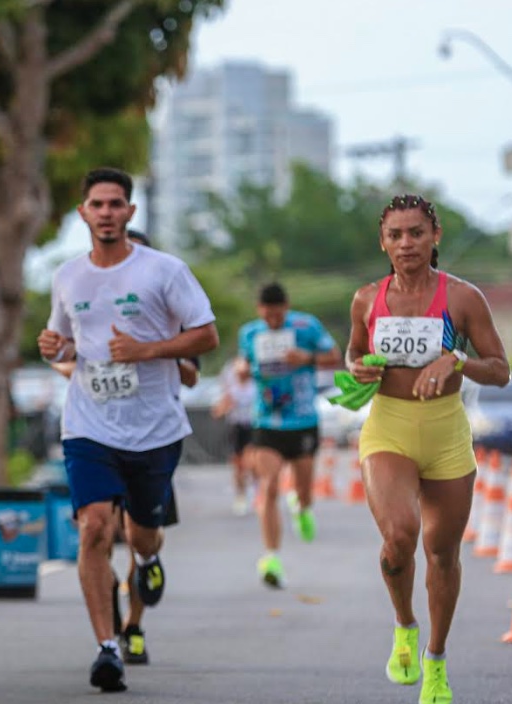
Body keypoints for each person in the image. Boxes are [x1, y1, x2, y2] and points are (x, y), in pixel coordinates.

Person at [38, 167, 218, 692]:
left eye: (116, 204)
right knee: (94, 527)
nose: (107, 213)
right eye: (97, 204)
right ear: (84, 213)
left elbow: (206, 336)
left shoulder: (164, 271)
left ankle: (149, 557)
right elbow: (66, 339)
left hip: (155, 428)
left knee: (141, 530)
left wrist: (149, 351)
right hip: (89, 425)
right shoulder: (68, 276)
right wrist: (54, 348)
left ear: (130, 212)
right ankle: (106, 647)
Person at [346, 194, 509, 704]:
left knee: (442, 553)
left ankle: (435, 660)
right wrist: (357, 366)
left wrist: (457, 360)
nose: (406, 243)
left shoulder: (462, 298)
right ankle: (404, 626)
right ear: (382, 242)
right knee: (399, 536)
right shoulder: (366, 299)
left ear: (435, 236)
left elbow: (500, 370)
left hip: (445, 434)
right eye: (395, 235)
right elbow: (352, 350)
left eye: (416, 232)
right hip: (388, 428)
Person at [238, 282, 340, 588]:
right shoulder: (250, 333)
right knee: (269, 486)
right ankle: (271, 556)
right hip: (266, 421)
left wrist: (306, 359)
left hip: (303, 419)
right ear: (260, 311)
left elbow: (333, 355)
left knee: (305, 488)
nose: (272, 320)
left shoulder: (306, 326)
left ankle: (302, 506)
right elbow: (244, 362)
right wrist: (242, 370)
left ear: (286, 307)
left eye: (277, 314)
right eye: (267, 315)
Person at [211, 356, 257, 516]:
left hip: (253, 426)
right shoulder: (233, 388)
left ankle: (258, 492)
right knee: (238, 465)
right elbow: (221, 406)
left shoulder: (255, 385)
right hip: (236, 427)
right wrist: (221, 408)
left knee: (251, 460)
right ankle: (241, 495)